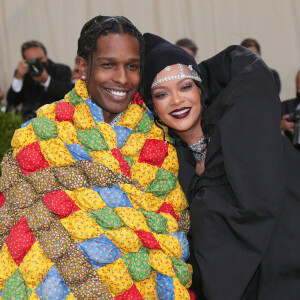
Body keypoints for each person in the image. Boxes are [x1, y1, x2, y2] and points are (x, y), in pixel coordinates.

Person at [0, 17, 193, 299]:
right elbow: (15, 218)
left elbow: (171, 222)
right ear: (82, 66)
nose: (122, 78)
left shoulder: (159, 140)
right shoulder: (41, 133)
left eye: (132, 66)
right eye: (108, 65)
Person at [142, 33, 300, 300]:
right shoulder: (166, 168)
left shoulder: (244, 137)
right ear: (152, 106)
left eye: (185, 86)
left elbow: (247, 66)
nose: (177, 101)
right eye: (161, 93)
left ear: (200, 89)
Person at [6, 40, 73, 121]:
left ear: (46, 56)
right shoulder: (24, 74)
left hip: (55, 120)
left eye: (40, 59)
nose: (37, 64)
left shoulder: (61, 69)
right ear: (25, 61)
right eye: (33, 61)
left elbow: (68, 94)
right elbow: (11, 102)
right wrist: (18, 77)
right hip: (28, 121)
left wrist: (47, 80)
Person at [281, 70, 300, 147]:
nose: (299, 91)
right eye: (298, 88)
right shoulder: (285, 107)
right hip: (290, 155)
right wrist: (281, 128)